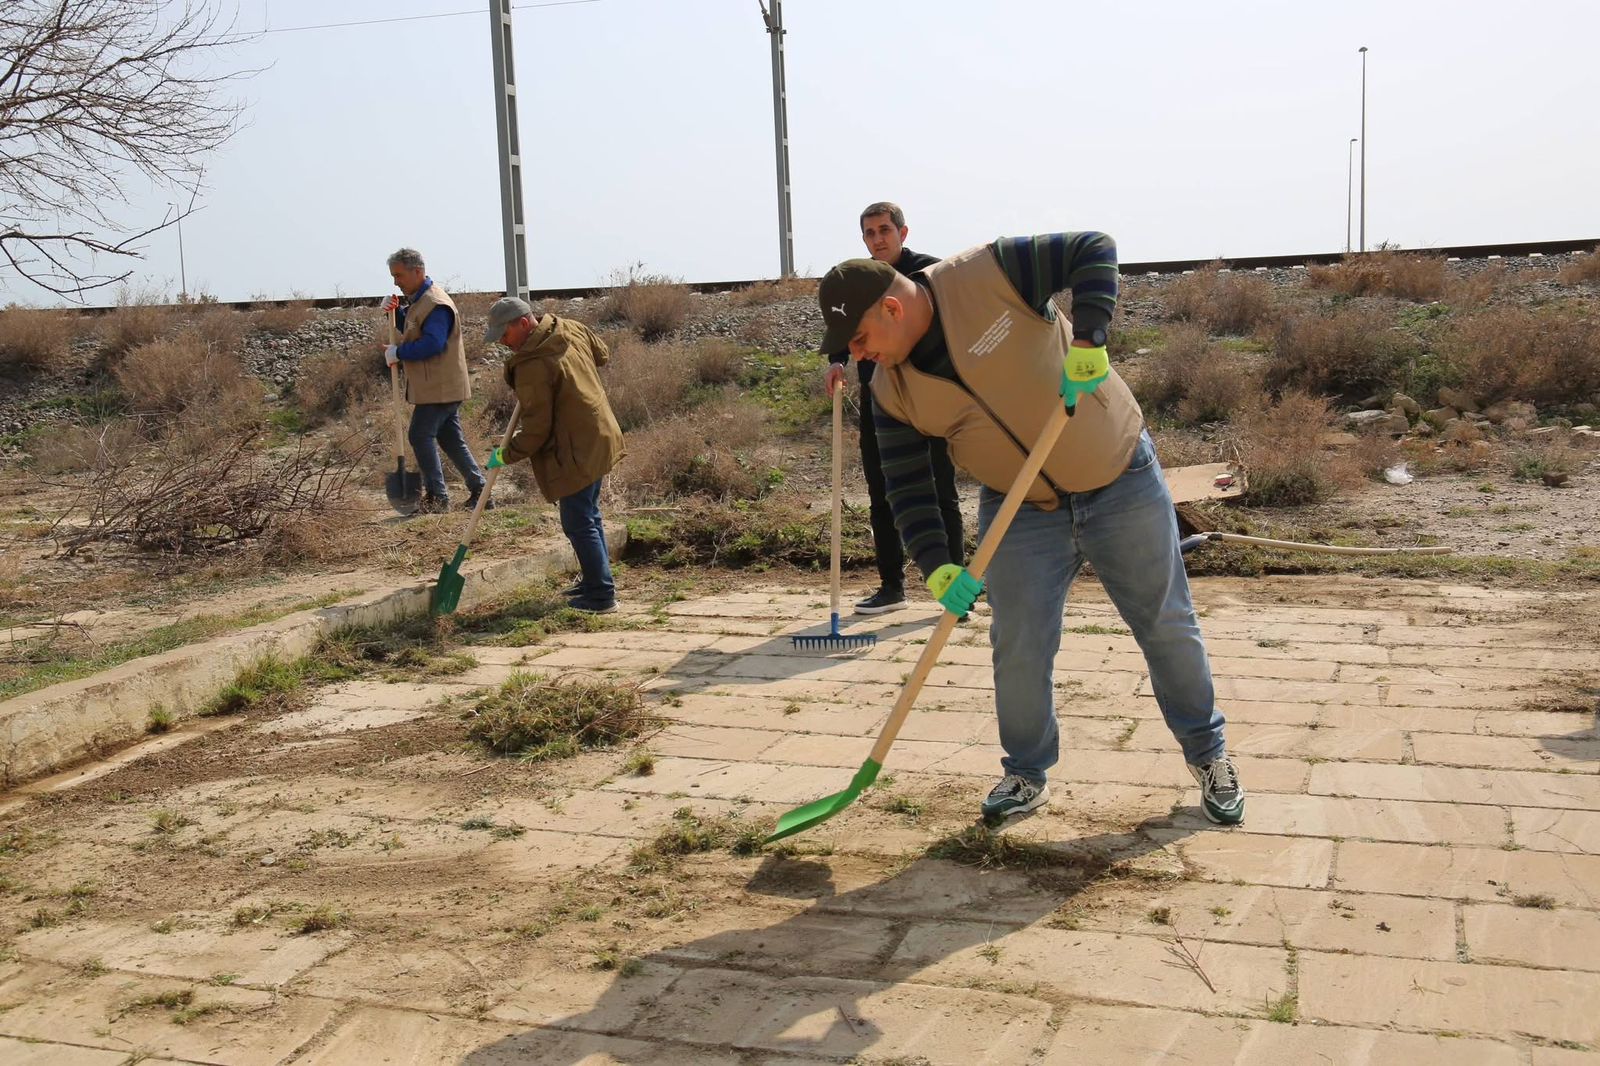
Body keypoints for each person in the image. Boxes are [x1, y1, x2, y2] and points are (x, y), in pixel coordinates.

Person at [815, 233, 1245, 827]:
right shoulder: (892, 392)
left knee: (1166, 624)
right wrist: (937, 563)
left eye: (859, 340)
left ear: (892, 308)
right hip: (1020, 510)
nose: (858, 355)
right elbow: (907, 486)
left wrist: (1091, 336)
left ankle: (1209, 756)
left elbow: (1093, 248)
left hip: (1118, 474)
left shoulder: (989, 274)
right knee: (1017, 645)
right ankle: (1025, 771)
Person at [824, 202, 964, 615]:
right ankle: (891, 587)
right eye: (869, 233)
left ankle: (955, 588)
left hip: (929, 398)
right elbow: (839, 327)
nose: (877, 239)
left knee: (941, 492)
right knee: (882, 492)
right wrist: (836, 361)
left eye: (884, 230)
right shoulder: (857, 281)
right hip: (880, 402)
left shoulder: (930, 274)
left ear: (902, 233)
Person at [481, 296, 624, 614]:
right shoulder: (570, 328)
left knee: (577, 520)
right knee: (588, 514)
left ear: (523, 323)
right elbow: (602, 353)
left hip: (575, 447)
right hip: (599, 433)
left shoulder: (532, 365)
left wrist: (506, 455)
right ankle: (594, 581)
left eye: (505, 335)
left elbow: (537, 430)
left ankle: (601, 596)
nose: (504, 343)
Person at [380, 248, 487, 514]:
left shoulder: (436, 303)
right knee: (451, 439)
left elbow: (433, 343)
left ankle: (438, 498)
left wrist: (399, 353)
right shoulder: (420, 300)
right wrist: (394, 313)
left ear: (418, 272)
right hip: (439, 386)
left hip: (441, 387)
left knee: (419, 434)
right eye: (393, 276)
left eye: (399, 275)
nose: (396, 281)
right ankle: (481, 492)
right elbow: (414, 327)